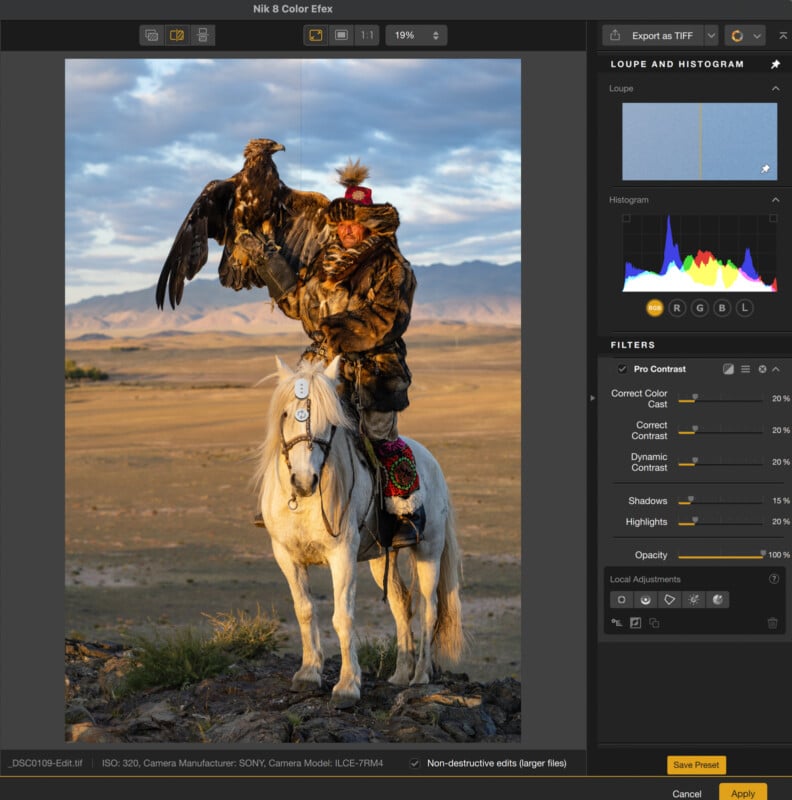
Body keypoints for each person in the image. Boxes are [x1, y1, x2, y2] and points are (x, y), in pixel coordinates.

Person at [264, 160, 425, 550]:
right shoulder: (324, 264)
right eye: (341, 224)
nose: (346, 230)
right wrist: (271, 268)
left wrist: (336, 332)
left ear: (370, 225)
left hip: (376, 373)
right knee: (300, 426)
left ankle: (405, 514)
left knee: (380, 437)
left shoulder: (393, 267)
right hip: (325, 367)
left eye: (354, 223)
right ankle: (284, 508)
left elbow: (387, 319)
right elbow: (301, 305)